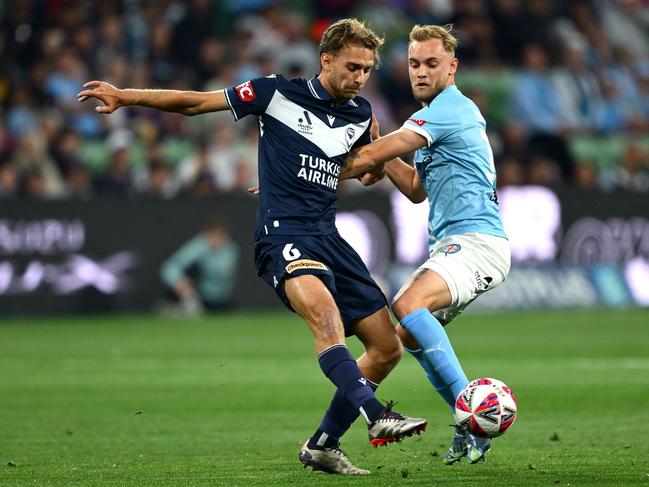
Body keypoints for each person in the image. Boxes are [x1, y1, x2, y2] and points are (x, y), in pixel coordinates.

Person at [78, 18, 426, 476]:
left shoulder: (361, 116)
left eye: (366, 70)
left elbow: (367, 170)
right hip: (283, 234)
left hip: (330, 237)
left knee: (386, 349)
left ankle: (322, 445)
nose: (360, 77)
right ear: (326, 59)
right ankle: (376, 414)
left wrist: (362, 169)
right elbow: (197, 104)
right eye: (352, 66)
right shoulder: (275, 93)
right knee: (325, 318)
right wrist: (126, 96)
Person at [341, 24, 511, 465]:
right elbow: (417, 187)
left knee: (407, 304)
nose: (420, 72)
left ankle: (471, 412)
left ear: (451, 68)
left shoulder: (449, 109)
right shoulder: (434, 117)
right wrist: (378, 145)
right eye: (414, 64)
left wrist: (305, 171)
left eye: (431, 64)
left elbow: (376, 159)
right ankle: (471, 427)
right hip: (457, 244)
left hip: (477, 241)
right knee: (408, 336)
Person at [160, 218, 239, 315]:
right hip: (198, 298)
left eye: (220, 236)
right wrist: (184, 287)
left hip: (221, 301)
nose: (217, 239)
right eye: (213, 235)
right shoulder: (198, 247)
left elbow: (224, 274)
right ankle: (180, 307)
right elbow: (169, 268)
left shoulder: (231, 249)